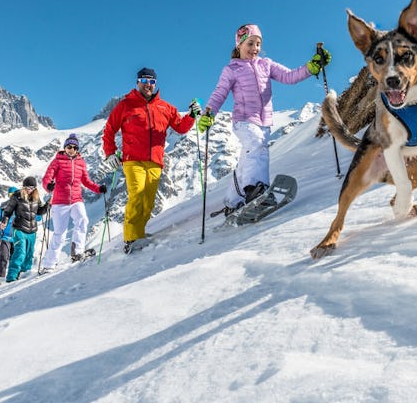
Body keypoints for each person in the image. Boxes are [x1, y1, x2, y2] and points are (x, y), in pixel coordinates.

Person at [197, 24, 331, 215]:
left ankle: (233, 200)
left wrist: (311, 67)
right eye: (250, 43)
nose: (255, 48)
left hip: (264, 122)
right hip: (243, 119)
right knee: (257, 145)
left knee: (248, 157)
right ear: (239, 45)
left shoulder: (266, 64)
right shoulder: (232, 69)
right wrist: (209, 112)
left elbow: (289, 76)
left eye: (258, 44)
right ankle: (256, 190)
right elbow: (220, 93)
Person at [102, 67, 200, 253]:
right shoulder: (126, 105)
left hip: (155, 161)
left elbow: (180, 127)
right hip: (133, 160)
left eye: (151, 82)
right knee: (137, 194)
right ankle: (131, 239)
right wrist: (110, 153)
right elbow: (109, 129)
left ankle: (139, 233)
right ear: (138, 82)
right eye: (144, 81)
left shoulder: (165, 107)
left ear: (155, 84)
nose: (148, 85)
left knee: (148, 201)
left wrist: (192, 116)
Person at [40, 133, 107, 271]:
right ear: (65, 147)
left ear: (77, 149)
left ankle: (77, 252)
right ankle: (49, 264)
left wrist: (99, 188)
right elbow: (47, 177)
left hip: (76, 200)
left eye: (74, 147)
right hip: (60, 202)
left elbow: (86, 181)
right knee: (60, 233)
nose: (71, 149)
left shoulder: (81, 163)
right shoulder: (57, 161)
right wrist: (48, 186)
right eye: (69, 147)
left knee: (83, 220)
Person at [0, 177, 50, 282]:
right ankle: (11, 277)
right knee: (20, 252)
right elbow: (8, 211)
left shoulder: (36, 197)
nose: (29, 189)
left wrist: (48, 204)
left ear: (35, 188)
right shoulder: (17, 196)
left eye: (32, 187)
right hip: (19, 229)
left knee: (29, 254)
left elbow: (39, 212)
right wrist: (4, 220)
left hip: (32, 231)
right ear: (23, 186)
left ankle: (24, 275)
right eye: (27, 187)